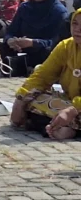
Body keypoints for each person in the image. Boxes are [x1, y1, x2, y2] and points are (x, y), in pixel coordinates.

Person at [10, 9, 81, 139]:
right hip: (70, 103)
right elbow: (43, 75)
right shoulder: (66, 46)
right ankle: (62, 127)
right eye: (75, 24)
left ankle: (62, 128)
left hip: (77, 107)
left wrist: (73, 110)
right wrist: (21, 99)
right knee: (34, 100)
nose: (78, 29)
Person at [2, 0, 68, 76]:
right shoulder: (25, 7)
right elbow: (11, 31)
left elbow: (58, 43)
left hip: (43, 53)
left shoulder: (59, 12)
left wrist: (33, 42)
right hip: (21, 50)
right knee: (1, 46)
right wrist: (11, 40)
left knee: (48, 52)